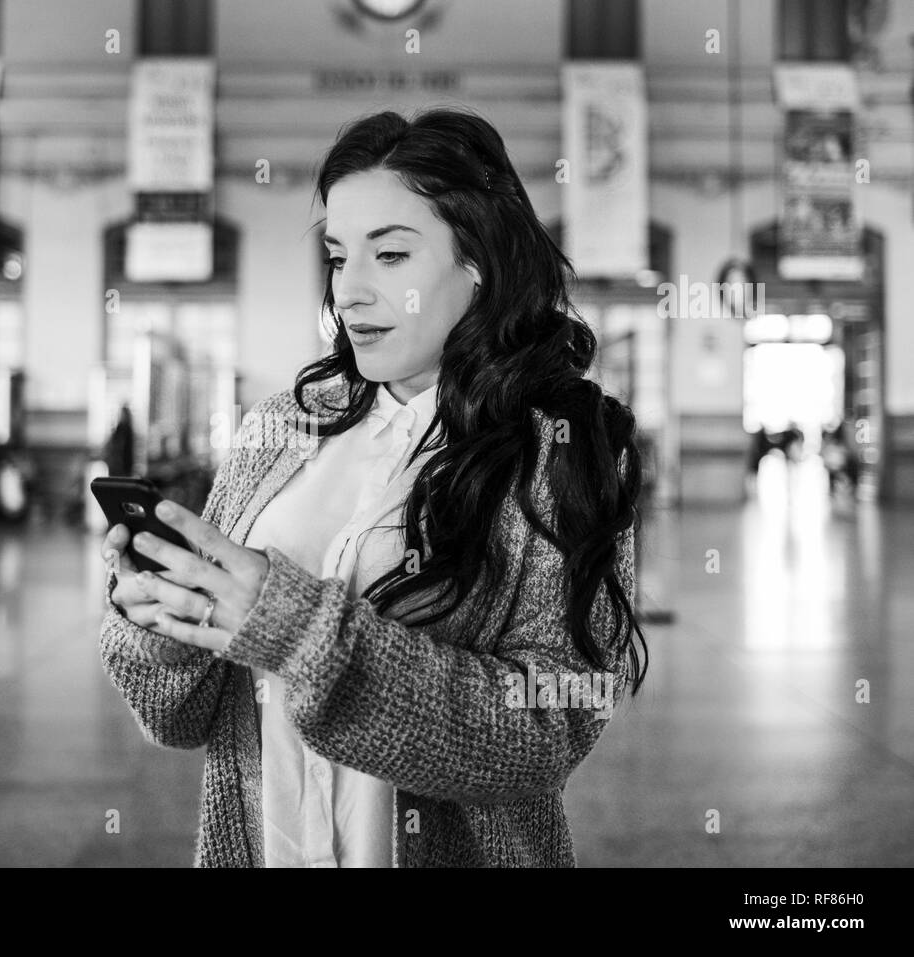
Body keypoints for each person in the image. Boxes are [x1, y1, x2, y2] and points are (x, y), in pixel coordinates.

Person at [97, 107, 648, 868]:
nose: (349, 292)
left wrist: (298, 631)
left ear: (478, 263)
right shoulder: (278, 431)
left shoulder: (563, 451)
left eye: (389, 255)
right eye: (336, 256)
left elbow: (551, 726)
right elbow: (179, 720)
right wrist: (165, 619)